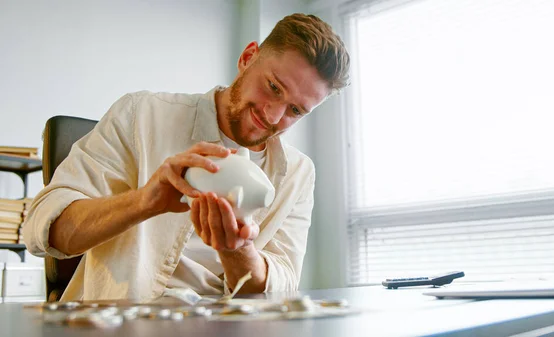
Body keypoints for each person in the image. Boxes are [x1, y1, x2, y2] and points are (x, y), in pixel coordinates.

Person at [23, 13, 350, 301]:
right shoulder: (142, 114)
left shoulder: (298, 173)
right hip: (125, 321)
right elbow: (43, 229)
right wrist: (145, 202)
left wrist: (237, 249)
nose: (273, 115)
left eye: (295, 110)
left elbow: (282, 285)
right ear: (248, 57)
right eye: (274, 87)